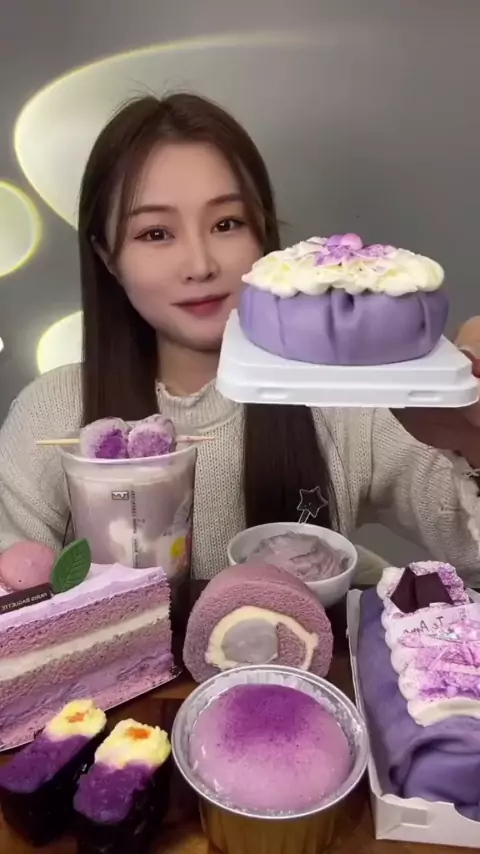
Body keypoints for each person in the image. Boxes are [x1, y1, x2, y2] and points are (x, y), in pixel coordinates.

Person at [1, 92, 480, 582]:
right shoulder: (50, 412)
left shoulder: (344, 398)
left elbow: (472, 549)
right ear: (108, 258)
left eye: (226, 224)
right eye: (156, 233)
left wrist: (471, 435)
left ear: (263, 236)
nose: (200, 265)